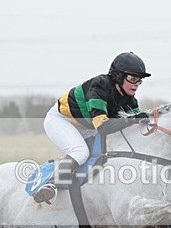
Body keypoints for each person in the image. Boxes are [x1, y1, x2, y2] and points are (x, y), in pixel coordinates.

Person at [33, 52, 151, 204]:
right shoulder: (100, 85)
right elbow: (103, 127)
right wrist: (133, 120)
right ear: (118, 76)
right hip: (61, 120)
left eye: (139, 81)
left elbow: (137, 128)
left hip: (88, 125)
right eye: (132, 78)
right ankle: (51, 184)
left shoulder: (130, 100)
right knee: (80, 152)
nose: (136, 84)